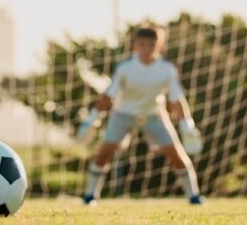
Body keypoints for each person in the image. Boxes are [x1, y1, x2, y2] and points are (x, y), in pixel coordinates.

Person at [83, 27, 204, 205]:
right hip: (123, 113)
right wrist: (92, 118)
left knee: (176, 153)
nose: (146, 48)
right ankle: (90, 195)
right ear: (135, 46)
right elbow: (109, 96)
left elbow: (177, 99)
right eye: (142, 44)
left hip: (154, 114)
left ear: (159, 46)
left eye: (151, 44)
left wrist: (188, 125)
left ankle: (194, 196)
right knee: (104, 152)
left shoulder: (166, 69)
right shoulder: (125, 69)